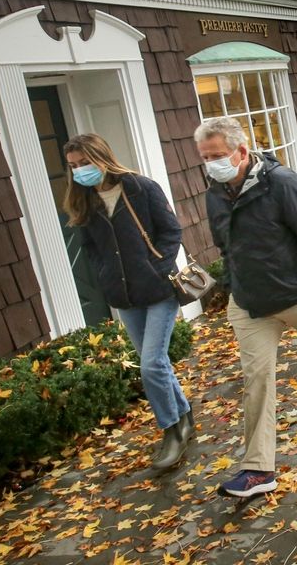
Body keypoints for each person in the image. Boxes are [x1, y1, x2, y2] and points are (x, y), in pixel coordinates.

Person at [195, 117, 297, 498]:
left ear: (241, 151)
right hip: (251, 304)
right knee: (256, 381)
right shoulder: (215, 193)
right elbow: (226, 244)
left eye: (217, 155)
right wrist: (234, 286)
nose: (211, 164)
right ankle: (258, 469)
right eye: (205, 157)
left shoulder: (281, 183)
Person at [62, 133, 192, 470]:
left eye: (84, 163)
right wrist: (105, 274)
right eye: (74, 166)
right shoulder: (85, 202)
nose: (80, 171)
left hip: (159, 291)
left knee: (151, 364)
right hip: (123, 296)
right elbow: (90, 248)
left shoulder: (140, 188)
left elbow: (171, 232)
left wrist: (156, 269)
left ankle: (171, 432)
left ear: (101, 157)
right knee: (155, 363)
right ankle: (184, 415)